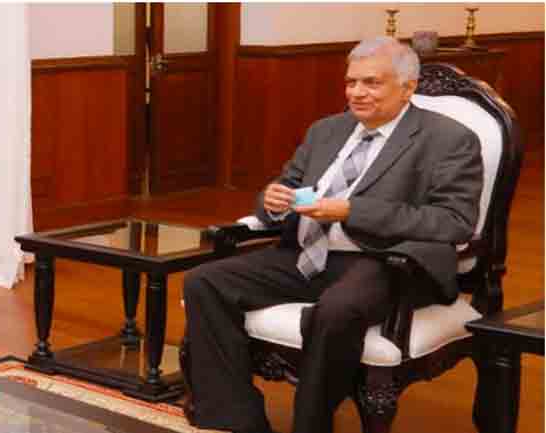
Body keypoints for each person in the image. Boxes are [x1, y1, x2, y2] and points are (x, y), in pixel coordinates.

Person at [182, 36, 483, 433]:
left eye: (371, 83)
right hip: (309, 254)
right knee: (204, 282)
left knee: (337, 309)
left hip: (387, 261)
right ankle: (238, 419)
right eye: (351, 82)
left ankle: (312, 424)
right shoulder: (326, 130)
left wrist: (353, 211)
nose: (356, 92)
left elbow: (453, 221)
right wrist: (273, 201)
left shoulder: (448, 139)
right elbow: (287, 186)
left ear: (407, 87)